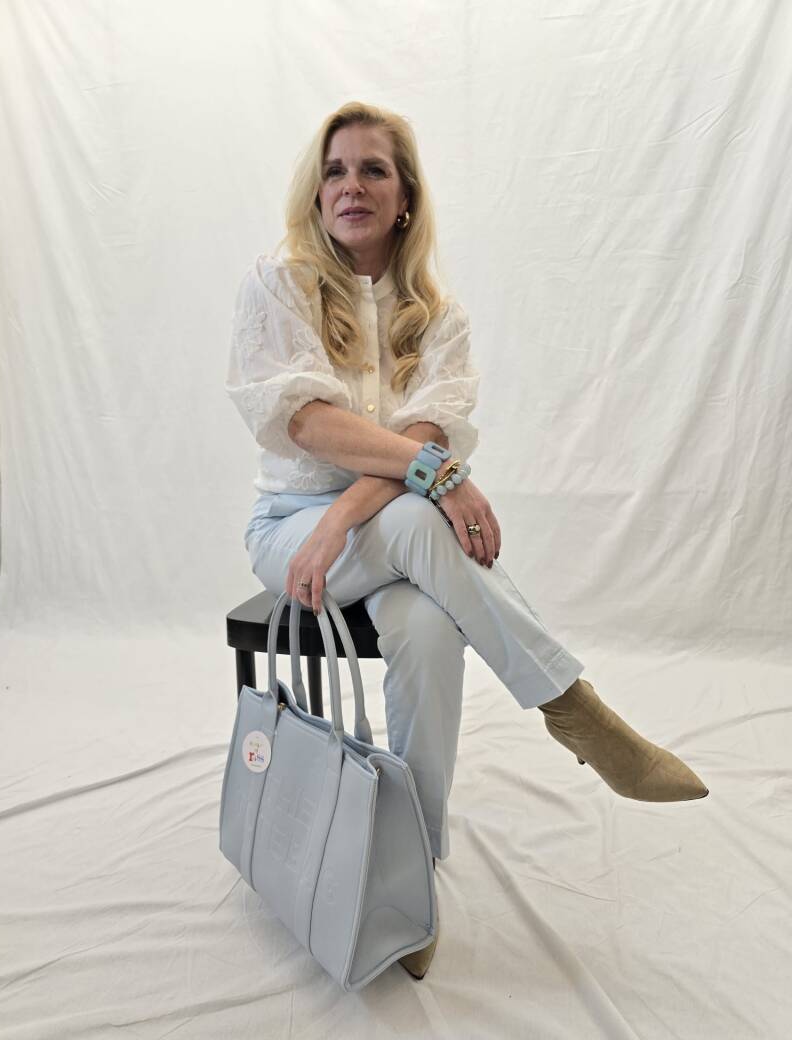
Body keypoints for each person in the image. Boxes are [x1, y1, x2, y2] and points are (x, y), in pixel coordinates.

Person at [225, 101, 709, 980]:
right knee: (420, 514)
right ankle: (575, 709)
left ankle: (410, 879)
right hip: (290, 532)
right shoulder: (279, 284)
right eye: (335, 171)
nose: (350, 186)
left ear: (405, 196)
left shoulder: (438, 318)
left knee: (424, 627)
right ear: (317, 192)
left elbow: (424, 441)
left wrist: (359, 509)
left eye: (373, 169)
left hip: (352, 534)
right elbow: (308, 424)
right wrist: (412, 481)